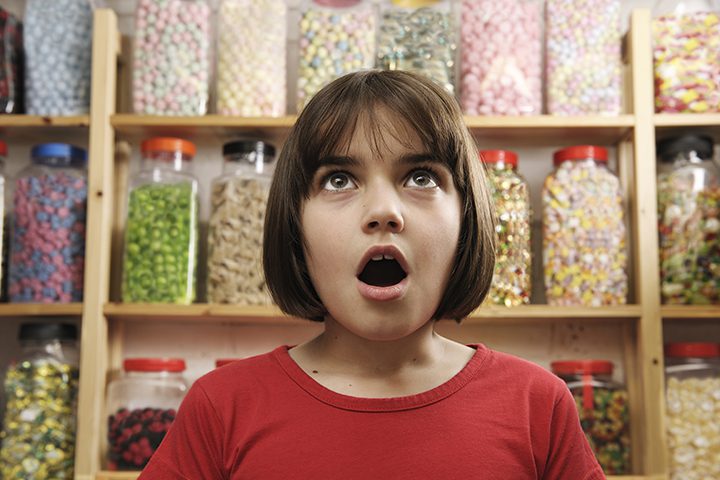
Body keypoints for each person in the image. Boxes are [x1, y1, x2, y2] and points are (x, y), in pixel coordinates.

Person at [138, 70, 605, 479]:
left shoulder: (537, 404)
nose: (384, 211)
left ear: (467, 217)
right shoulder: (222, 407)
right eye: (339, 179)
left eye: (421, 177)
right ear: (294, 223)